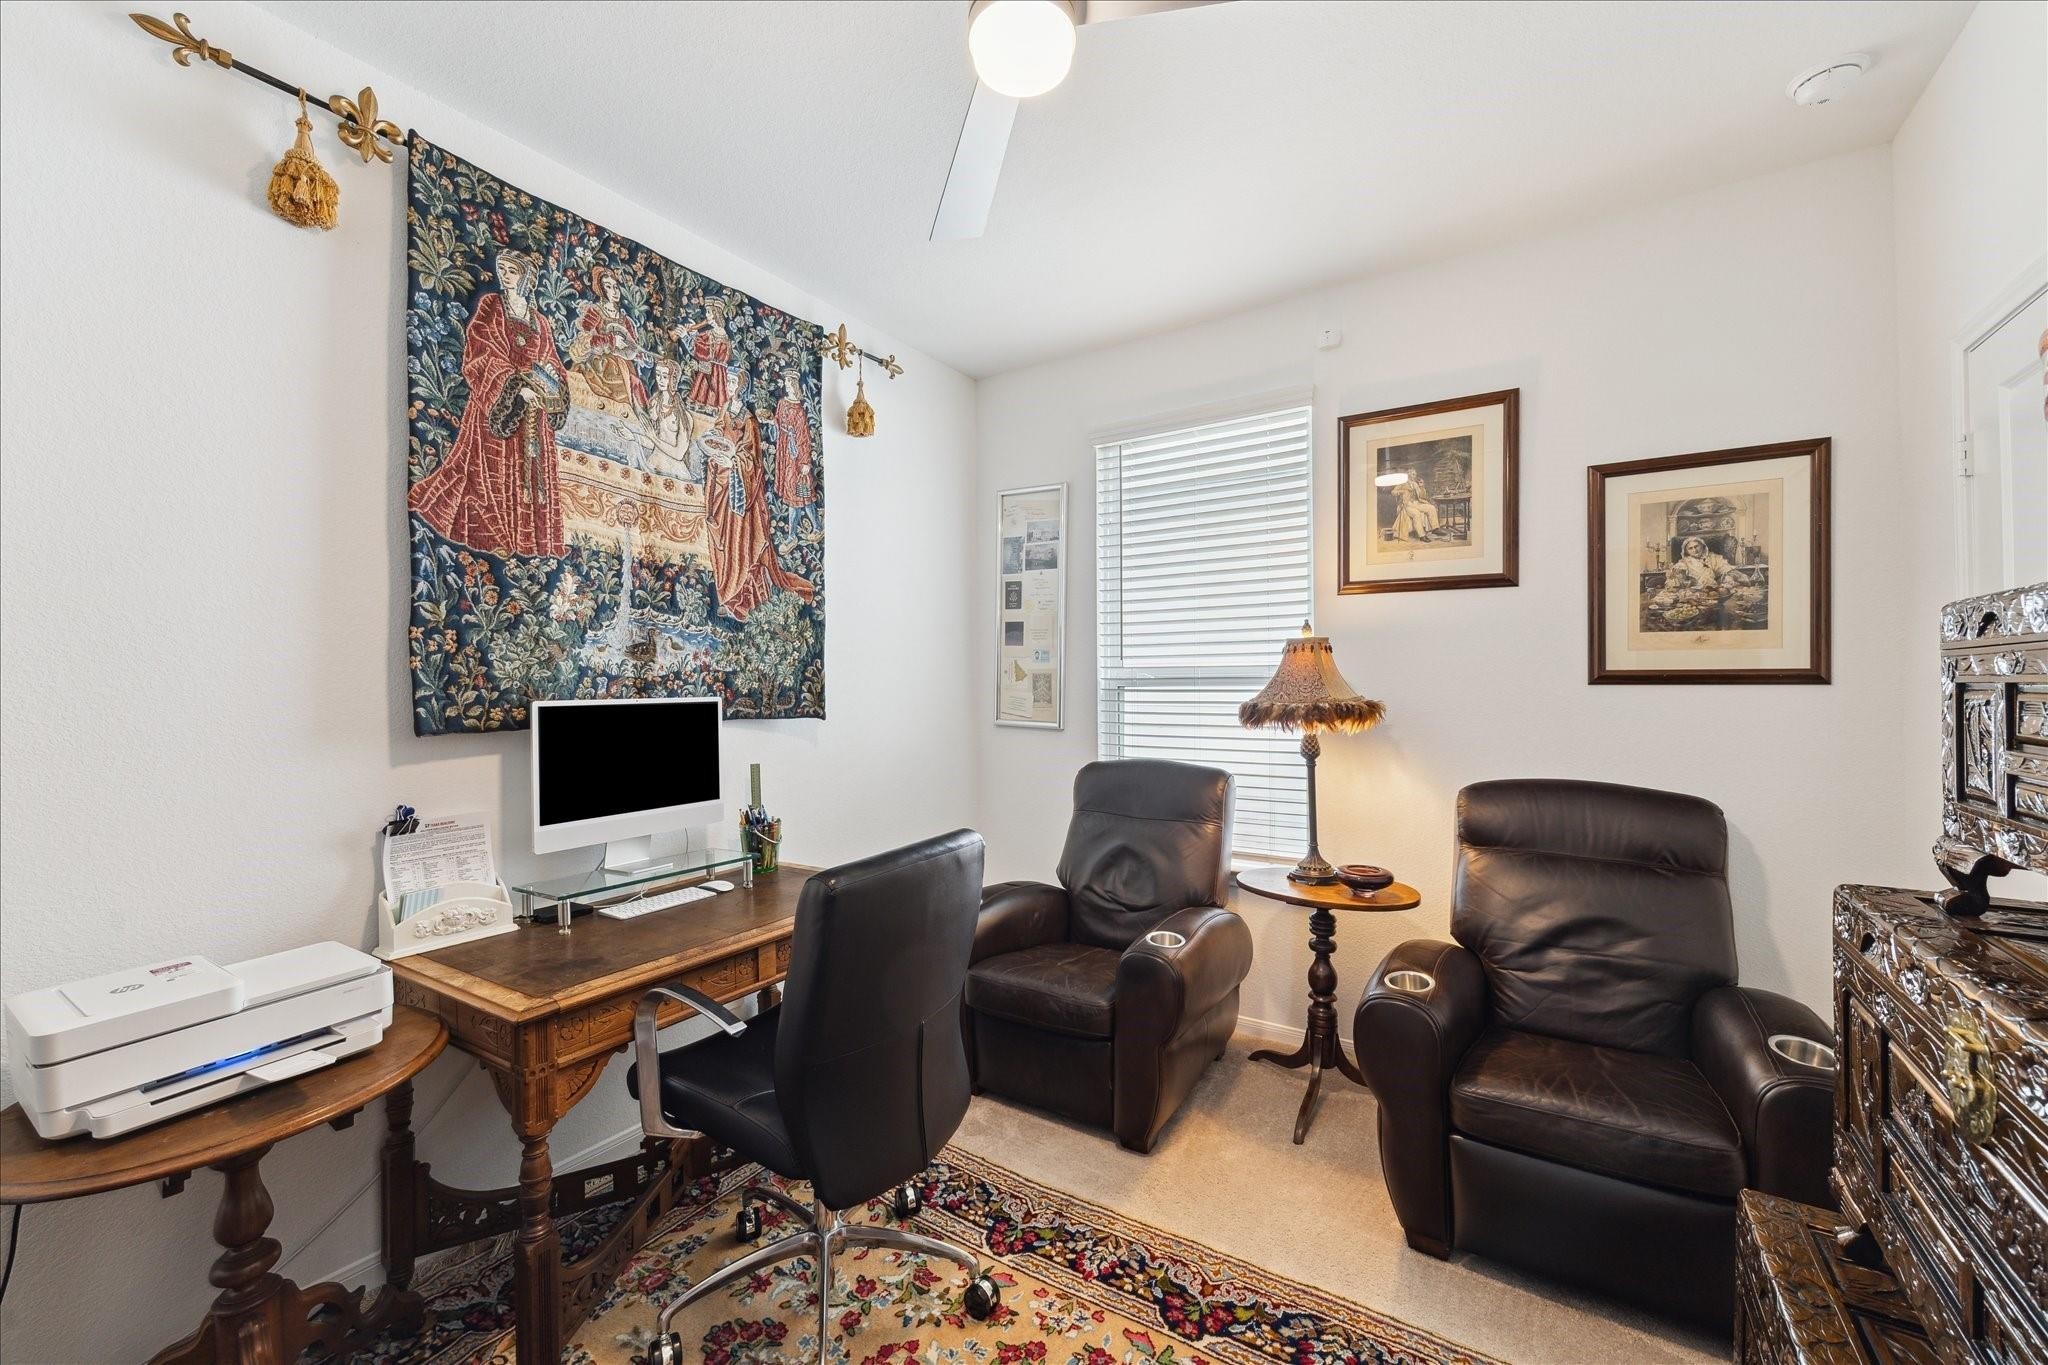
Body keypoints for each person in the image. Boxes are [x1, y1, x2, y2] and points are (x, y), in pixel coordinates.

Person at [408, 249, 570, 557]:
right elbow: (482, 352)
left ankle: (531, 544)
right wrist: (516, 387)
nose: (506, 275)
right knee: (490, 476)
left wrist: (551, 379)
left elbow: (551, 360)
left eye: (513, 270)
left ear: (526, 277)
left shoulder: (540, 321)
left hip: (536, 411)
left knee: (532, 478)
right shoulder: (492, 306)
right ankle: (499, 537)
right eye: (503, 269)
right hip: (500, 405)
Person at [704, 375, 815, 623]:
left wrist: (734, 462)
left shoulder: (749, 420)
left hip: (742, 492)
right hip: (722, 484)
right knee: (724, 546)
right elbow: (717, 437)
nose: (730, 388)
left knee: (742, 545)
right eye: (728, 383)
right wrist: (716, 452)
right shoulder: (724, 411)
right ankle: (725, 595)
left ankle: (740, 599)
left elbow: (753, 462)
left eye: (734, 384)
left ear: (742, 388)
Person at [568, 266, 648, 414]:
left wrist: (637, 352)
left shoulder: (625, 320)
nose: (615, 291)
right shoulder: (595, 311)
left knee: (637, 385)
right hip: (598, 365)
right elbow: (584, 341)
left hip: (623, 365)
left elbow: (633, 345)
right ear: (601, 289)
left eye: (616, 287)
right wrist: (610, 340)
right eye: (609, 287)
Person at [771, 370, 818, 538]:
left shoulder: (799, 409)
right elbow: (777, 423)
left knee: (798, 493)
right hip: (785, 452)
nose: (788, 387)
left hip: (796, 455)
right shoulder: (782, 403)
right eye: (787, 384)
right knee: (800, 494)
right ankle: (816, 527)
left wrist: (805, 462)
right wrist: (771, 422)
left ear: (796, 386)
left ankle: (792, 536)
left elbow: (804, 437)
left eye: (791, 384)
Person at [675, 299, 735, 412]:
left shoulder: (714, 334)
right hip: (715, 371)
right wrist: (693, 331)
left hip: (711, 371)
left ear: (715, 314)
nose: (706, 315)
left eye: (709, 312)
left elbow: (700, 351)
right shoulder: (720, 334)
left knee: (706, 395)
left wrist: (685, 336)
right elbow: (701, 343)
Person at [1667, 535, 1735, 592]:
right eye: (1690, 548)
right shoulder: (1684, 562)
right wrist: (1674, 575)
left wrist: (1728, 578)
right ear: (1686, 552)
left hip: (1715, 591)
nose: (1694, 550)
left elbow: (1725, 570)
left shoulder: (1713, 557)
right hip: (1695, 593)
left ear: (1702, 546)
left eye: (1696, 546)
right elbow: (1677, 576)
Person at [1390, 475, 1441, 541]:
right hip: (1407, 504)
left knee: (1431, 508)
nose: (1413, 476)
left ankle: (1435, 528)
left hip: (1416, 503)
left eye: (1414, 474)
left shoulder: (1415, 484)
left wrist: (1422, 487)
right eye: (1411, 474)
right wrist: (1401, 491)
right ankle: (1422, 536)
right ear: (1407, 475)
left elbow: (1421, 496)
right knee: (1416, 514)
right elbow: (1393, 492)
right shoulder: (1402, 484)